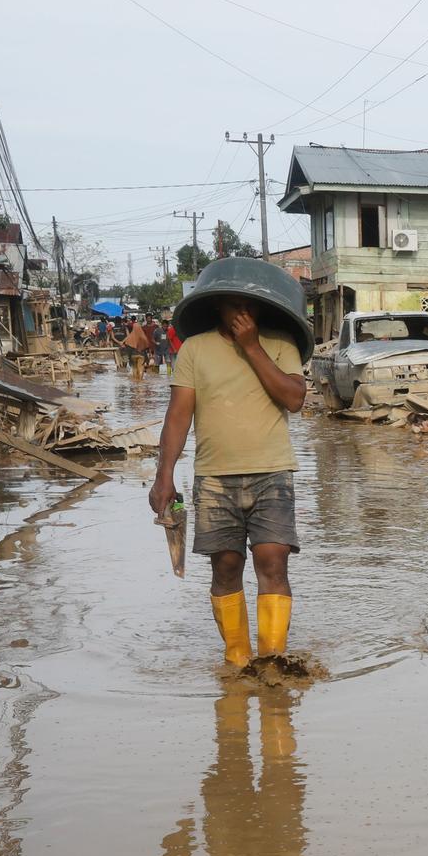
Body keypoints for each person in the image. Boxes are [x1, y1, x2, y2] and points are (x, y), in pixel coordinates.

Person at [150, 258, 311, 668]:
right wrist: (163, 476)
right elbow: (177, 417)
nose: (241, 312)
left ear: (263, 308)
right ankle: (238, 661)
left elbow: (294, 398)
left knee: (273, 561)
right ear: (215, 305)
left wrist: (252, 347)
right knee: (225, 567)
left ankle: (272, 661)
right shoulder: (195, 350)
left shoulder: (279, 344)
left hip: (272, 473)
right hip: (214, 478)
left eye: (250, 304)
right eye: (232, 303)